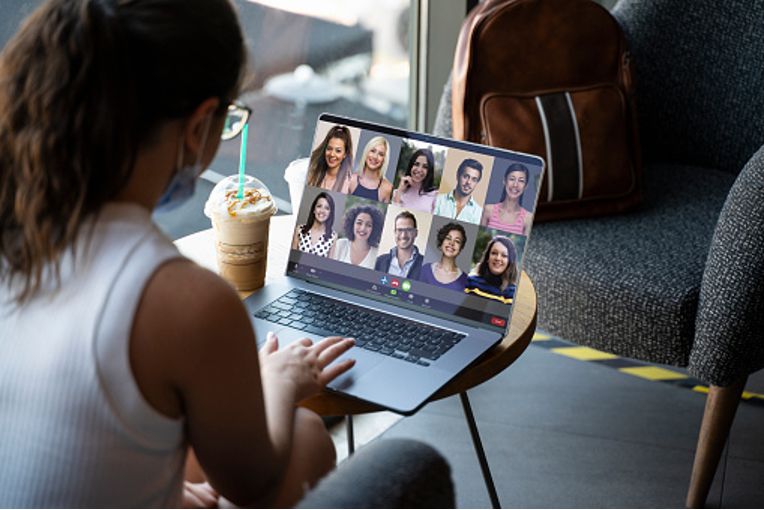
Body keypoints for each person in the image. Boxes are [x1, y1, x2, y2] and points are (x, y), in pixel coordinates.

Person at [0, 1, 356, 508]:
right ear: (197, 126)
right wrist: (275, 382)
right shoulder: (187, 301)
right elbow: (251, 482)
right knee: (306, 436)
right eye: (228, 119)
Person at [480, 163, 534, 235]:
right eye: (512, 179)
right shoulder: (488, 210)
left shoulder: (528, 218)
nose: (515, 185)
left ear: (526, 185)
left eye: (521, 181)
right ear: (504, 181)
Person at [465, 236, 519, 304]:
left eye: (504, 255)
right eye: (494, 253)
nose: (498, 258)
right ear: (488, 257)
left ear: (510, 262)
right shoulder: (470, 282)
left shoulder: (512, 292)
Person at [374, 211, 425, 279]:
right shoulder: (379, 262)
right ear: (394, 232)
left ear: (415, 233)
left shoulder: (425, 266)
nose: (403, 235)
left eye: (409, 230)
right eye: (400, 230)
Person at [419, 223, 469, 291]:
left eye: (457, 241)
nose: (451, 243)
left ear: (460, 248)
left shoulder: (465, 280)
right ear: (442, 241)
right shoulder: (425, 270)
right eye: (448, 238)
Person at [332, 203, 384, 269]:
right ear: (352, 224)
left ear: (374, 228)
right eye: (359, 223)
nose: (362, 228)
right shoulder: (340, 244)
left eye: (368, 225)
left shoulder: (378, 253)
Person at [433, 158, 484, 224]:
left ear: (477, 182)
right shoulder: (438, 200)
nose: (468, 182)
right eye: (465, 176)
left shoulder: (479, 213)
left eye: (474, 179)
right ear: (458, 176)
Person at [307, 125, 353, 194]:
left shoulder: (348, 185)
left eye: (338, 151)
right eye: (329, 149)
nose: (332, 154)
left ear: (345, 154)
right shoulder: (312, 175)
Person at [391, 148, 438, 214]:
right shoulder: (398, 192)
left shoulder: (435, 195)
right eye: (416, 164)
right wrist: (399, 190)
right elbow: (393, 215)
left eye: (425, 167)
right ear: (411, 166)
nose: (419, 170)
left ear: (429, 171)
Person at [292, 192, 337, 258]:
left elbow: (328, 265)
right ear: (314, 209)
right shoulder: (300, 229)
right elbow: (292, 258)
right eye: (319, 206)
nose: (322, 210)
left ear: (330, 213)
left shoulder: (333, 236)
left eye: (327, 208)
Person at [349, 136, 393, 203]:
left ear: (384, 159)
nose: (375, 157)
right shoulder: (351, 180)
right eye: (373, 151)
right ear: (366, 152)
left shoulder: (387, 188)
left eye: (380, 154)